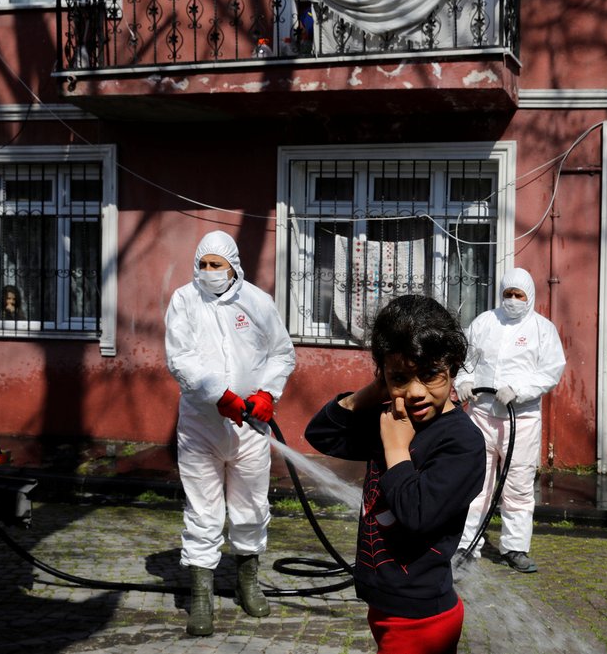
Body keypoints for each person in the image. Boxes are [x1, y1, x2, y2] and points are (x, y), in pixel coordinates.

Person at [305, 294, 485, 654]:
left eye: (431, 374)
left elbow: (419, 515)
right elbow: (321, 434)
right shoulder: (390, 415)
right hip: (386, 604)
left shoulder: (462, 442)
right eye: (401, 377)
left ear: (454, 366)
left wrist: (396, 449)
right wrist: (376, 390)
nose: (416, 392)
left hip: (422, 619)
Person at [164, 230, 296, 636]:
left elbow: (281, 353)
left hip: (251, 428)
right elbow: (179, 358)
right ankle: (201, 596)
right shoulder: (184, 301)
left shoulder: (257, 302)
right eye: (203, 264)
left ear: (232, 266)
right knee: (203, 511)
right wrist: (216, 394)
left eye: (215, 265)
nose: (208, 272)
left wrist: (266, 394)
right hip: (201, 426)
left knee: (251, 506)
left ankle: (247, 581)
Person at [454, 268, 565, 574]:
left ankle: (515, 548)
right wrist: (463, 382)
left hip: (522, 419)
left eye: (520, 295)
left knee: (517, 486)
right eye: (508, 294)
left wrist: (520, 390)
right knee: (476, 482)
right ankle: (466, 544)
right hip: (481, 414)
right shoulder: (485, 323)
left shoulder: (543, 329)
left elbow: (550, 371)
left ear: (529, 296)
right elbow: (466, 359)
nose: (513, 301)